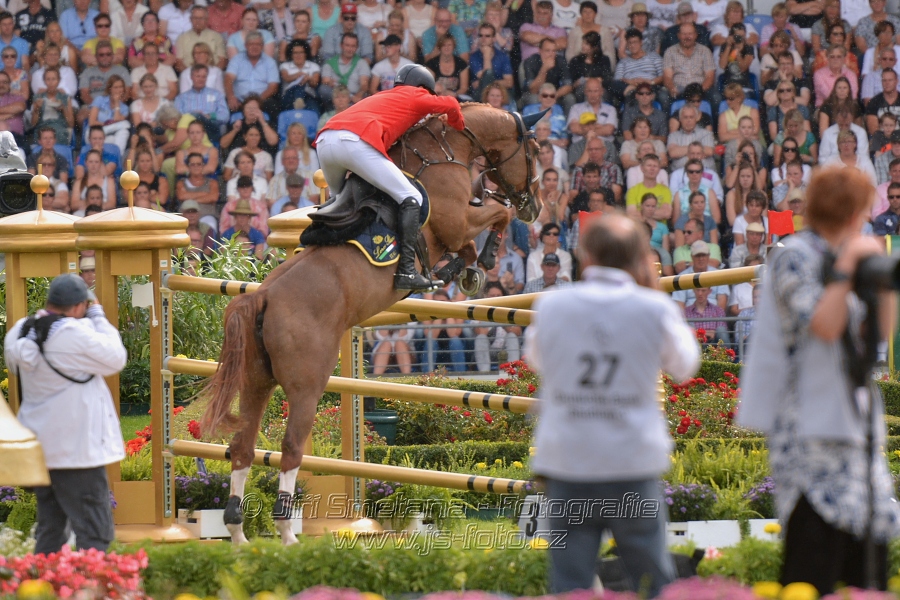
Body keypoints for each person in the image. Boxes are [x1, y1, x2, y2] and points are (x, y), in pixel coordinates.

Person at [740, 166, 900, 594]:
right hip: (807, 427)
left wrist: (883, 281)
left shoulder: (855, 254)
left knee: (868, 561)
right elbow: (825, 325)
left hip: (853, 423)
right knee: (815, 560)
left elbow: (877, 334)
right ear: (851, 212)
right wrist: (848, 267)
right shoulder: (795, 255)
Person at [525, 213, 699, 597]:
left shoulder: (553, 306)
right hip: (631, 463)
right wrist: (651, 293)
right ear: (639, 257)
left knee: (570, 584)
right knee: (653, 581)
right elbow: (686, 366)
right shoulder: (653, 307)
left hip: (570, 463)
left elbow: (535, 358)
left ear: (585, 255)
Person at [4, 273, 127, 555]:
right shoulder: (71, 333)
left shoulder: (20, 331)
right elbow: (116, 357)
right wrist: (96, 313)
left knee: (51, 529)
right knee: (95, 531)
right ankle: (92, 590)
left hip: (41, 449)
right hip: (78, 450)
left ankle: (44, 590)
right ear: (76, 307)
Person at [315, 63, 463, 291]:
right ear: (424, 87)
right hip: (354, 142)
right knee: (411, 197)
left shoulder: (385, 96)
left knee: (339, 203)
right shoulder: (417, 94)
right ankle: (406, 271)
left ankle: (324, 255)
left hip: (326, 141)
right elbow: (452, 103)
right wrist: (457, 124)